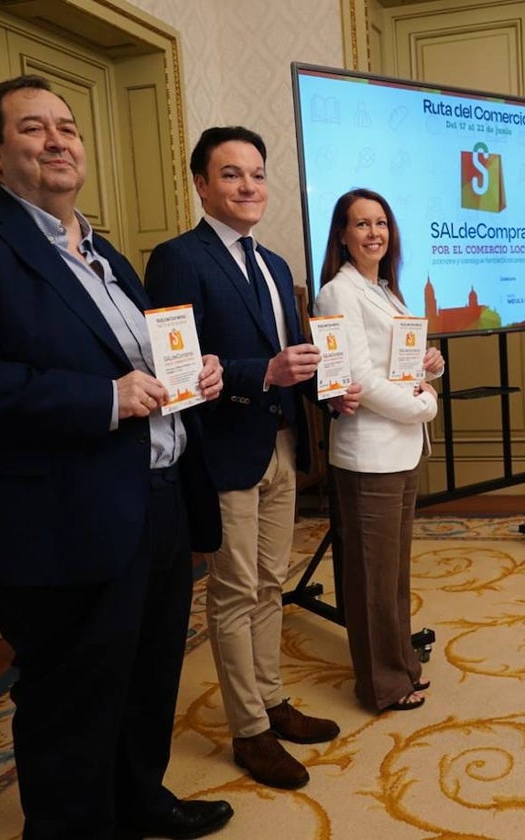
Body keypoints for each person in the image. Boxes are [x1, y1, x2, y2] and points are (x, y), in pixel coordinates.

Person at [0, 75, 233, 839]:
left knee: (148, 677)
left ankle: (141, 800)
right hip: (56, 516)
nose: (57, 141)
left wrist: (193, 376)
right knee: (70, 700)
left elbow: (137, 361)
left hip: (157, 502)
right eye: (33, 128)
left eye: (68, 128)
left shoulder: (106, 253)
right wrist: (107, 400)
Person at [145, 126, 359, 791]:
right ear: (202, 185)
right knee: (234, 592)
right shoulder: (177, 258)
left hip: (279, 441)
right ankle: (249, 731)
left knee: (272, 583)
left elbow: (299, 355)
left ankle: (270, 698)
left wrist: (332, 392)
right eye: (232, 174)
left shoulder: (274, 265)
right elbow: (178, 365)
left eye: (258, 174)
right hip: (221, 446)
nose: (248, 186)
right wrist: (260, 372)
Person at [313, 188, 444, 713]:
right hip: (368, 454)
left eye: (381, 223)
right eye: (361, 224)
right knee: (370, 579)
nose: (374, 233)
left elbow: (398, 365)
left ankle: (402, 664)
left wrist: (428, 370)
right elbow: (359, 379)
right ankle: (381, 685)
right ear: (342, 235)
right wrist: (423, 406)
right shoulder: (336, 293)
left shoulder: (388, 290)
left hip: (401, 449)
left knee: (393, 574)